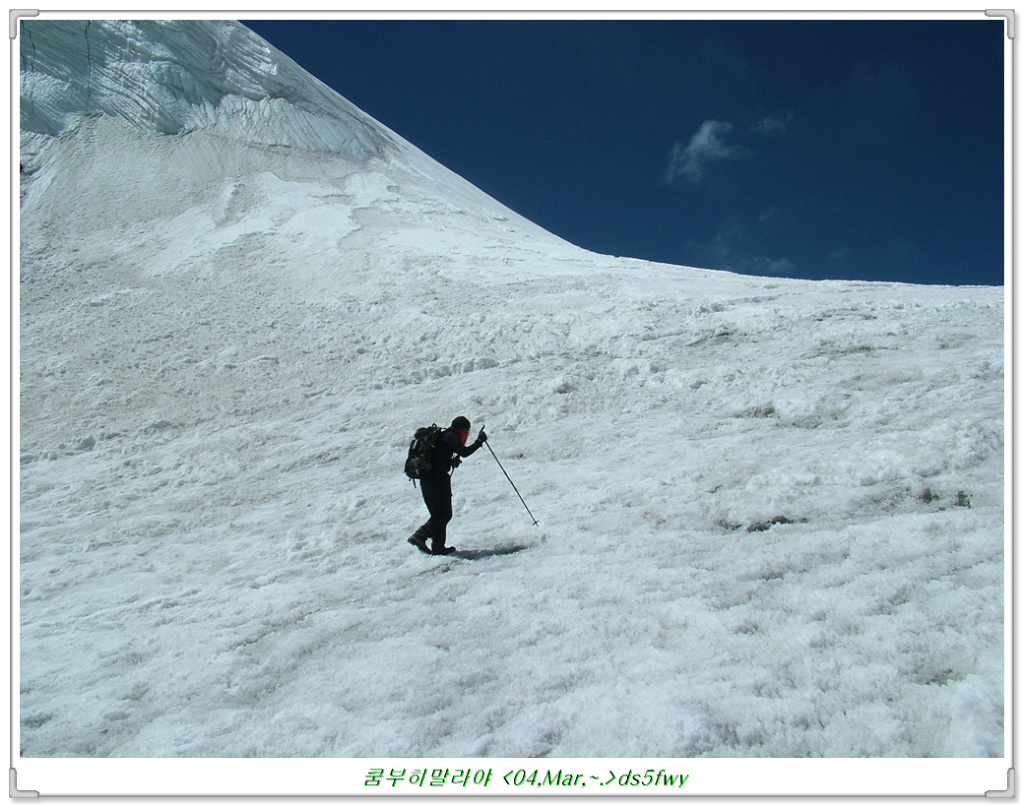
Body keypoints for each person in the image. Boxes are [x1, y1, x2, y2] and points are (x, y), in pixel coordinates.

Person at [408, 416, 487, 555]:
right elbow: (465, 452)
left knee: (440, 514)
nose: (466, 435)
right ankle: (421, 536)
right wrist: (479, 441)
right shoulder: (451, 436)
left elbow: (438, 459)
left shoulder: (443, 436)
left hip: (427, 479)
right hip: (437, 481)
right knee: (443, 514)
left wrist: (450, 463)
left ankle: (437, 546)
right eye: (467, 432)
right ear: (462, 429)